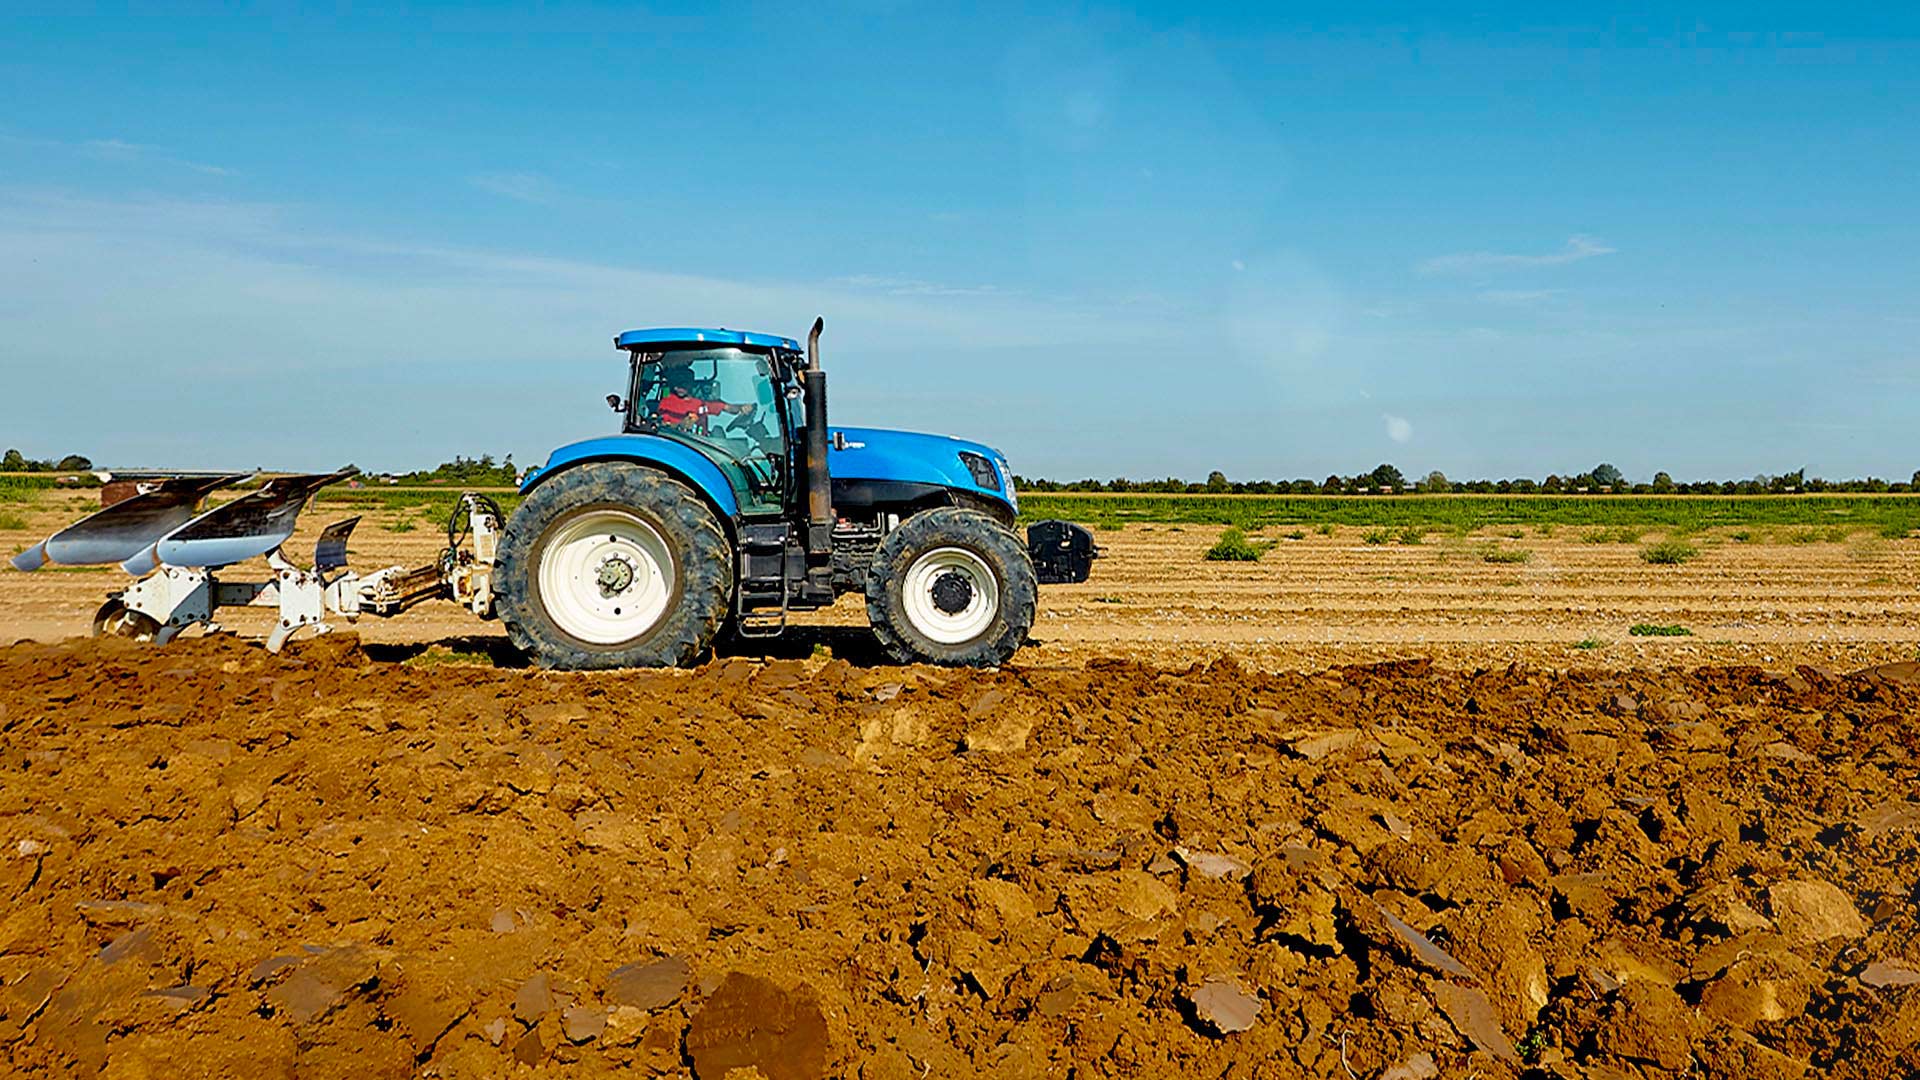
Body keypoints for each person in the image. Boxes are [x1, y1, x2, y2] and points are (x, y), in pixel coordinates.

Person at [654, 366, 752, 433]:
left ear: (691, 383)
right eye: (677, 383)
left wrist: (741, 408)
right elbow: (662, 426)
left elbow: (726, 407)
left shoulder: (700, 403)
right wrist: (680, 425)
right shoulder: (667, 403)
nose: (679, 387)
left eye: (684, 383)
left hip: (701, 444)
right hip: (681, 444)